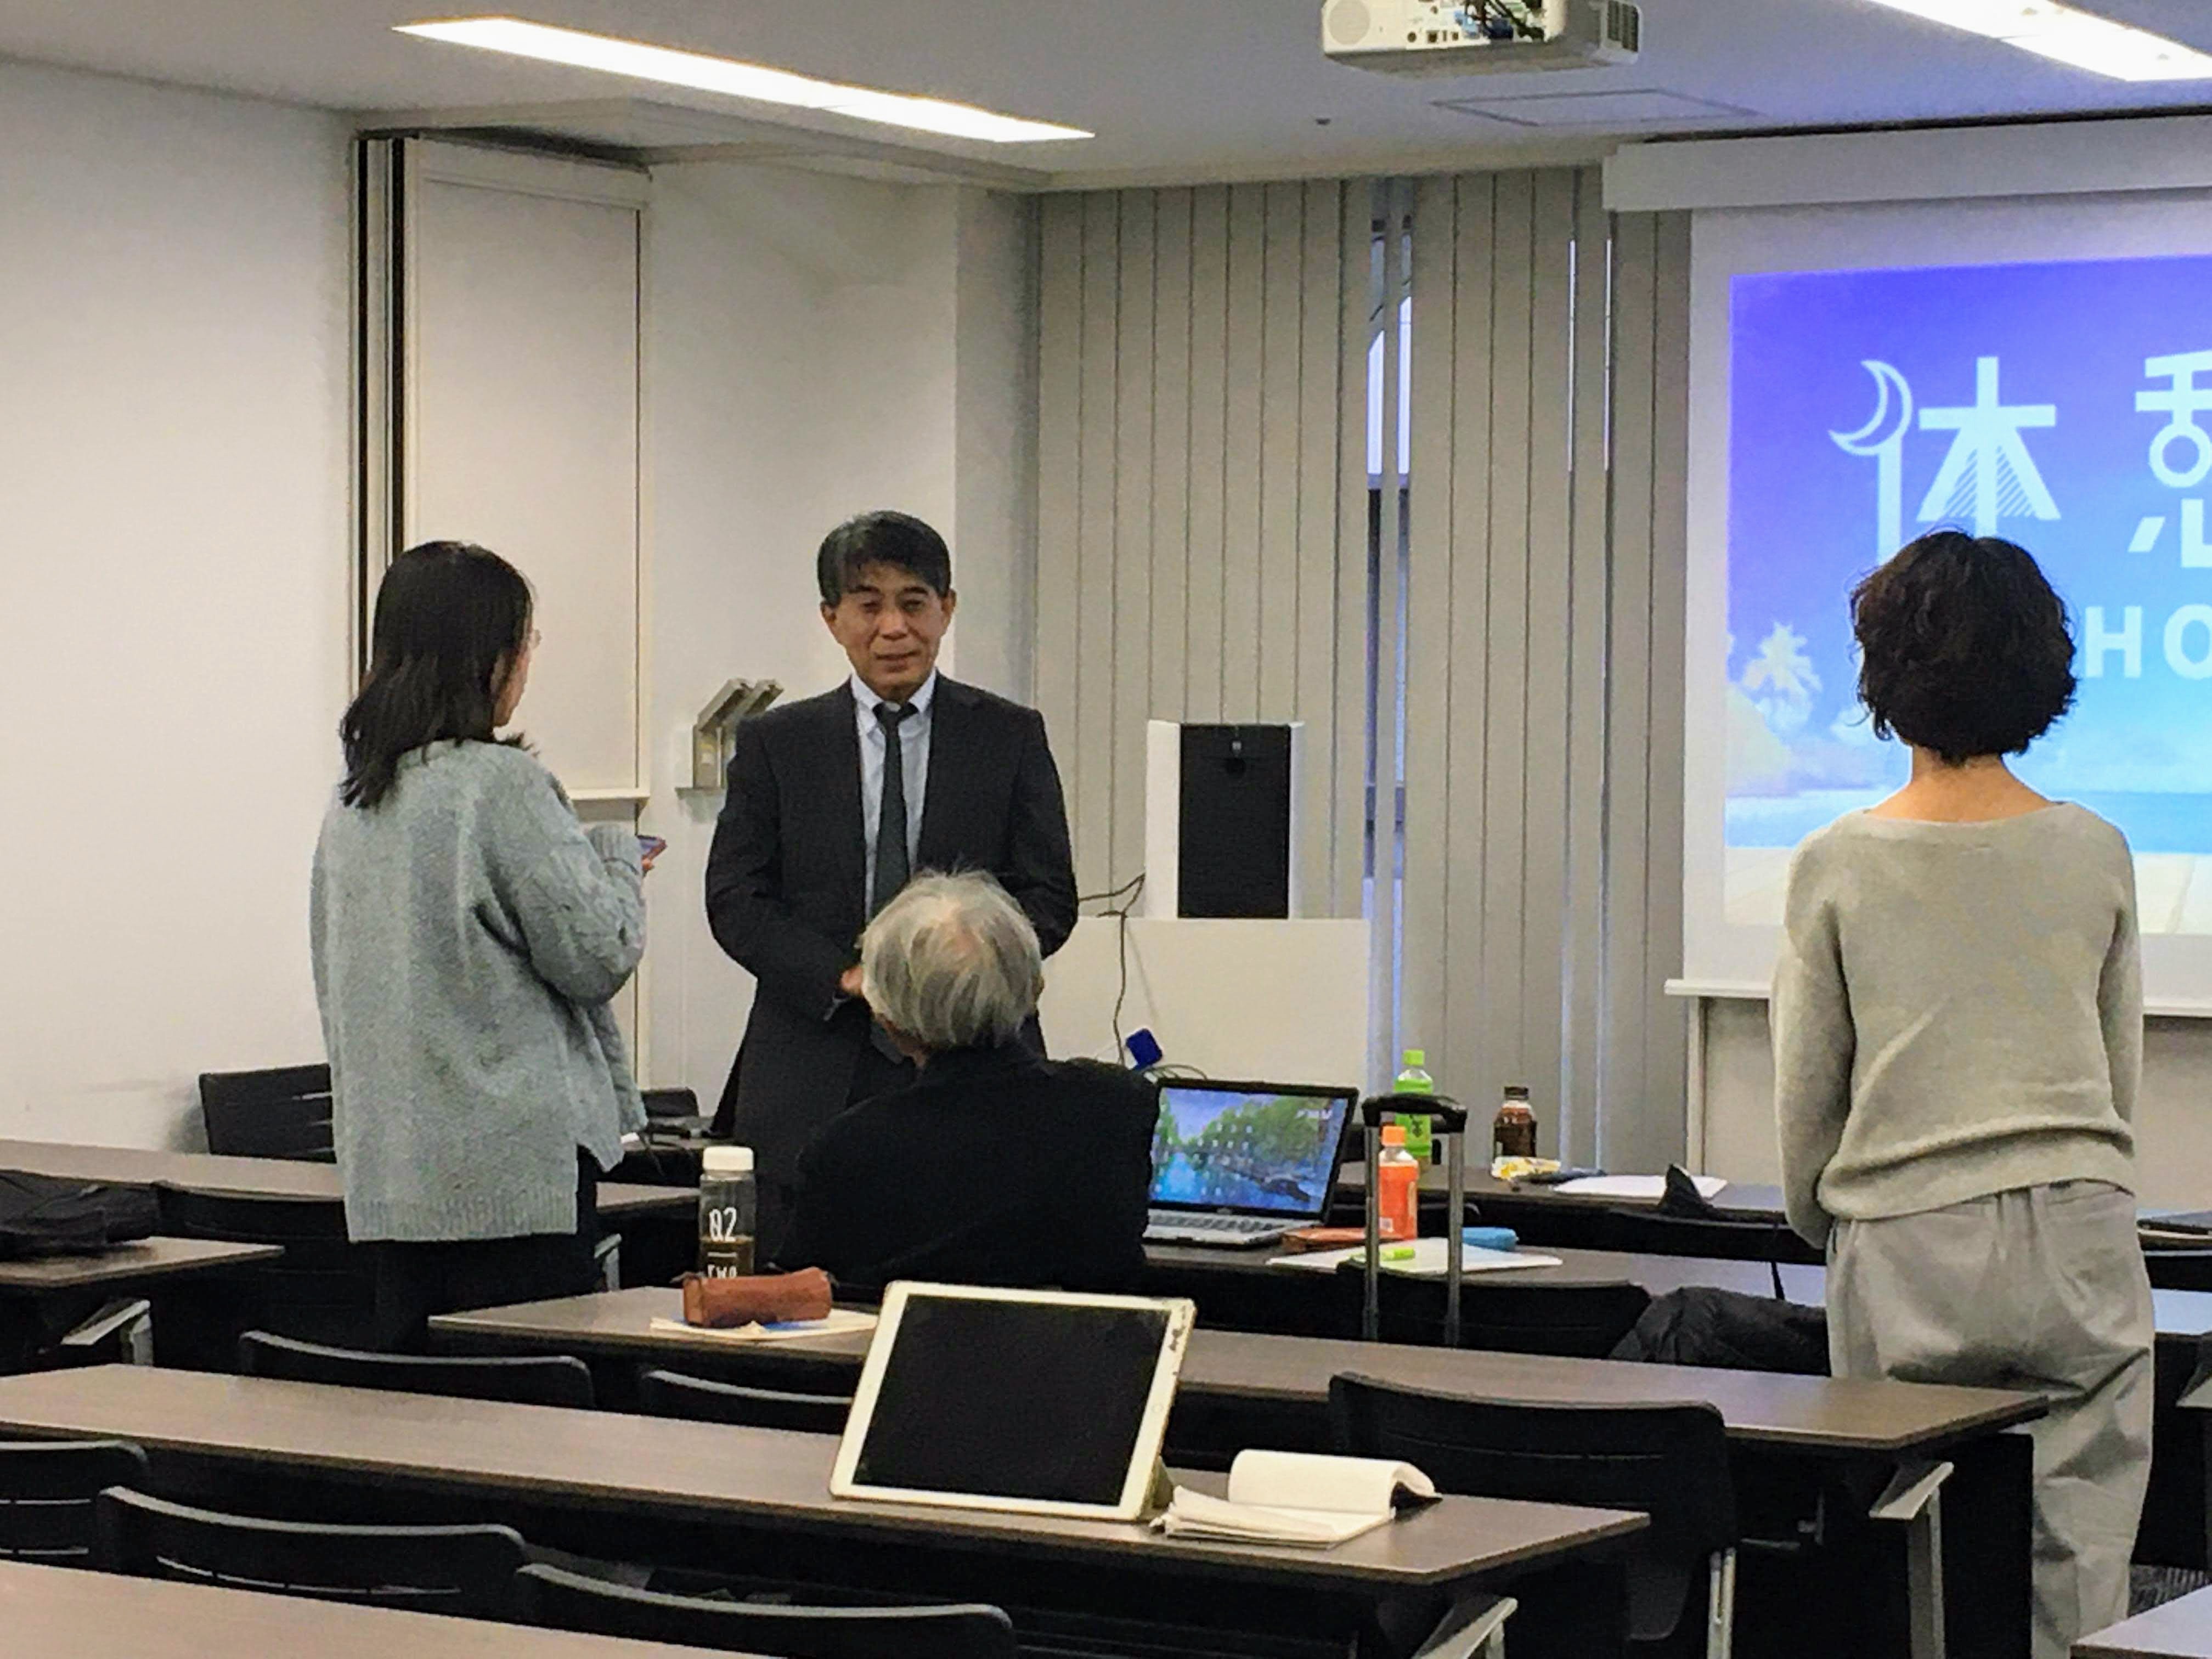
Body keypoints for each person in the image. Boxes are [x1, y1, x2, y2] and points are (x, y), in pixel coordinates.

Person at [1772, 530, 2150, 1658]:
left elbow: (1807, 1092)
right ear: (2044, 670)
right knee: (2080, 1554)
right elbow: (2116, 1070)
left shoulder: (1834, 860)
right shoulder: (2098, 850)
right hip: (2078, 1223)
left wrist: (1826, 1222)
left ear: (1883, 675)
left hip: (1903, 1236)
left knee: (1908, 1546)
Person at [705, 510, 1078, 1254]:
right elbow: (737, 899)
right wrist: (848, 978)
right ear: (832, 618)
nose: (894, 628)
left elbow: (1049, 897)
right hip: (814, 1063)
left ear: (947, 609)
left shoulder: (1008, 735)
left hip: (975, 1062)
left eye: (914, 603)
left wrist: (953, 979)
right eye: (869, 605)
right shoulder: (777, 742)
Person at [311, 541, 651, 1347]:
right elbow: (599, 953)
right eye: (524, 643)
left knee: (423, 1401)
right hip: (513, 1184)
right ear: (489, 659)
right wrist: (616, 858)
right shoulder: (502, 787)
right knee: (523, 1401)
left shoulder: (352, 802)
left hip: (392, 1177)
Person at [782, 871, 1153, 1294]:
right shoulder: (1119, 1107)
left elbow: (802, 1296)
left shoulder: (846, 1149)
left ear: (887, 1020)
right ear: (1035, 987)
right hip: (1087, 1338)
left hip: (910, 1339)